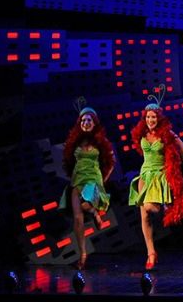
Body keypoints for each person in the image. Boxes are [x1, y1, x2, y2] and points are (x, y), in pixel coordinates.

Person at [127, 94, 183, 270]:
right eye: (148, 117)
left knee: (149, 207)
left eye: (153, 117)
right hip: (144, 174)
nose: (150, 120)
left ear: (159, 118)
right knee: (144, 215)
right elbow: (141, 149)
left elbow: (180, 144)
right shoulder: (142, 133)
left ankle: (164, 205)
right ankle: (151, 253)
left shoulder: (166, 133)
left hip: (159, 174)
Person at [59, 101, 114, 270]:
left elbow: (111, 162)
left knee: (86, 205)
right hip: (78, 180)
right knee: (78, 218)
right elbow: (68, 161)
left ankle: (95, 212)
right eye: (83, 120)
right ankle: (82, 254)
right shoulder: (75, 142)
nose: (86, 123)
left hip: (93, 180)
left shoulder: (101, 141)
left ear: (94, 122)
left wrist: (103, 180)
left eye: (89, 120)